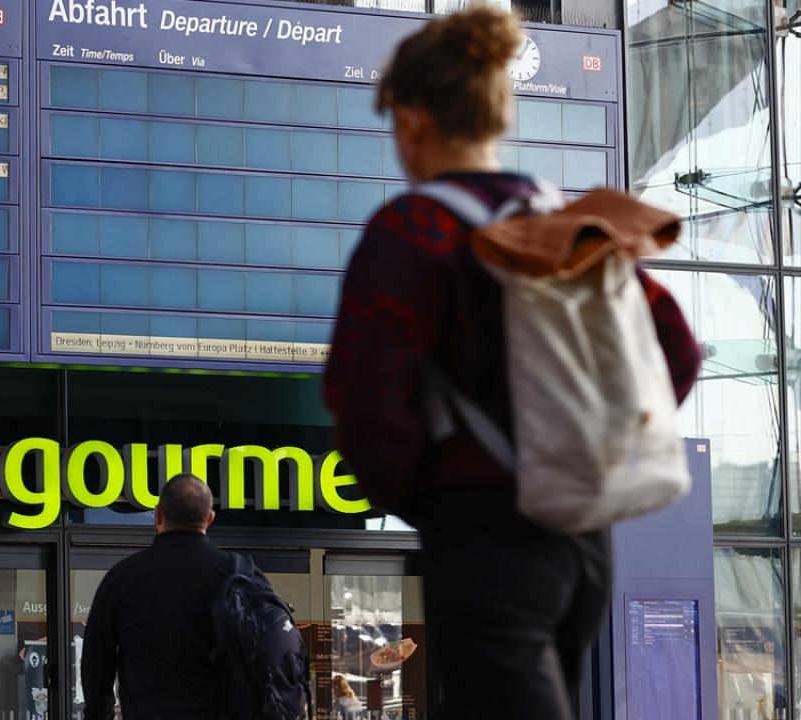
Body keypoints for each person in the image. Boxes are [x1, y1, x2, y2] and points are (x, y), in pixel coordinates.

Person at [322, 7, 702, 720]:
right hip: (583, 541)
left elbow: (364, 398)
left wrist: (433, 499)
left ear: (412, 120)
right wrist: (590, 445)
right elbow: (676, 349)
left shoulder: (412, 230)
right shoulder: (566, 222)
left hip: (483, 536)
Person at [81, 474, 245, 720]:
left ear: (158, 515)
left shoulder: (122, 578)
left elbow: (96, 663)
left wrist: (99, 714)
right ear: (209, 518)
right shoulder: (237, 575)